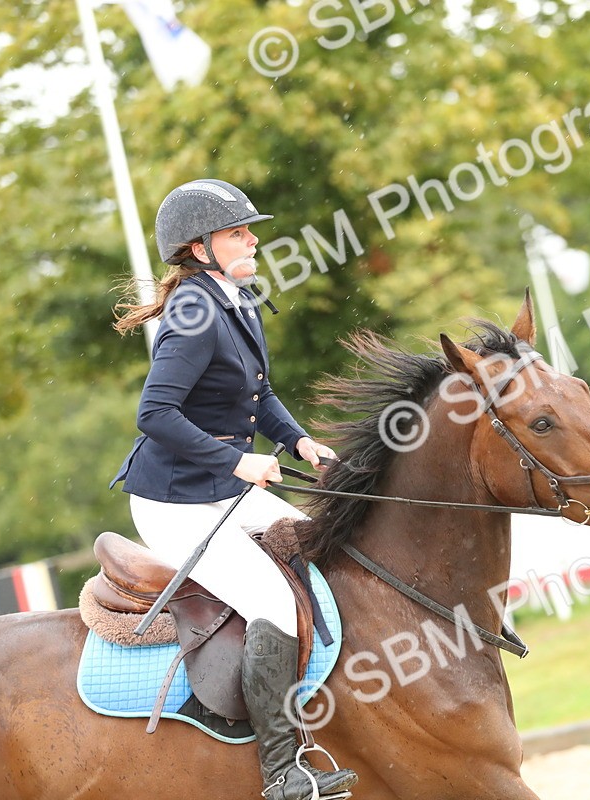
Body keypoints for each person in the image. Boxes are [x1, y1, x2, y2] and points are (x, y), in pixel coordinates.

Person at [110, 179, 358, 800]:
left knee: (315, 546)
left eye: (250, 229)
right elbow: (155, 414)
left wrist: (299, 441)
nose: (253, 239)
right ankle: (281, 772)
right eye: (237, 232)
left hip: (220, 485)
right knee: (273, 601)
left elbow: (260, 394)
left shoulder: (236, 299)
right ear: (200, 249)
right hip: (175, 501)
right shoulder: (193, 315)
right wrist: (236, 461)